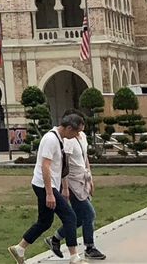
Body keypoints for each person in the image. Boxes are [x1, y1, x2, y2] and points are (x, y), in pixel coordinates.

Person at [7, 112, 84, 264]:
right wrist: (49, 193)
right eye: (77, 132)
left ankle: (20, 248)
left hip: (47, 184)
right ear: (69, 128)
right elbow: (45, 166)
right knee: (70, 217)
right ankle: (74, 257)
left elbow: (58, 166)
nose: (78, 136)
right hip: (44, 185)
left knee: (45, 221)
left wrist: (63, 187)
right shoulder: (51, 139)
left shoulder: (59, 138)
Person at [47, 111, 106, 260]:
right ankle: (89, 247)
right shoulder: (68, 140)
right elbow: (64, 164)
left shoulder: (82, 136)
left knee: (78, 217)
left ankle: (55, 238)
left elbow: (85, 159)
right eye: (78, 128)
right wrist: (65, 187)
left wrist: (90, 179)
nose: (80, 131)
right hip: (72, 182)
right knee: (89, 214)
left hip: (82, 179)